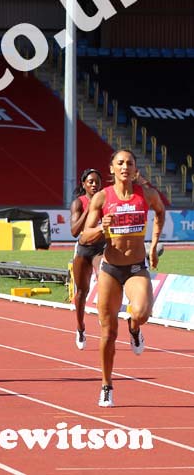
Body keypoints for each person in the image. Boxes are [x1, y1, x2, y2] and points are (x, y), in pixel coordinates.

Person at [81, 149, 165, 407]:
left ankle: (135, 327)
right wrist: (101, 228)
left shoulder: (146, 194)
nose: (125, 166)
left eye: (129, 162)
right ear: (112, 169)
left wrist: (153, 244)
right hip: (110, 269)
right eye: (120, 163)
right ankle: (107, 385)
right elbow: (84, 237)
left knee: (140, 312)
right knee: (108, 333)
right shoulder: (102, 198)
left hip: (136, 267)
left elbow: (160, 212)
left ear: (135, 168)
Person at [70, 168, 105, 350]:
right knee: (82, 292)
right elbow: (74, 231)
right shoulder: (78, 203)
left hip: (101, 248)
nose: (94, 184)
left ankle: (103, 314)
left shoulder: (106, 201)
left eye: (97, 182)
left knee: (104, 279)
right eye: (90, 181)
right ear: (84, 184)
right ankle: (80, 327)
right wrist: (89, 209)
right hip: (83, 249)